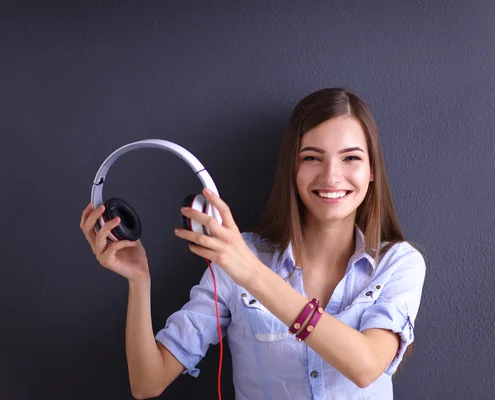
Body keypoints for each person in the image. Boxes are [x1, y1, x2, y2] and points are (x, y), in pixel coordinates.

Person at [79, 87, 426, 400]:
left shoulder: (399, 264)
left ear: (371, 171)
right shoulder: (234, 257)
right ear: (292, 168)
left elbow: (366, 367)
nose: (331, 176)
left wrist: (251, 273)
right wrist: (139, 282)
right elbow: (147, 382)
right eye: (312, 157)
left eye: (351, 158)